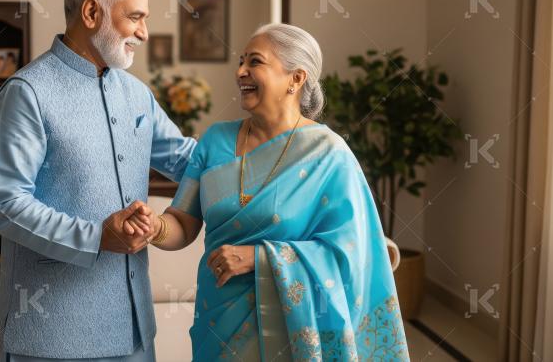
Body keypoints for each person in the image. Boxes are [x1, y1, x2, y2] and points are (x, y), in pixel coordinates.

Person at [126, 23, 410, 360]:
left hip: (292, 331)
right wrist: (155, 227)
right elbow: (183, 222)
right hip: (219, 319)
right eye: (241, 61)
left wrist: (259, 258)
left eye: (255, 62)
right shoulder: (215, 141)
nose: (240, 71)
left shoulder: (328, 154)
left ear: (296, 78)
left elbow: (351, 252)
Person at [0, 0, 196, 362]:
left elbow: (189, 160)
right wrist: (97, 236)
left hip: (135, 333)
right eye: (135, 17)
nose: (144, 32)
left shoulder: (136, 93)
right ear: (92, 12)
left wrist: (269, 155)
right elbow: (3, 203)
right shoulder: (27, 94)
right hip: (50, 337)